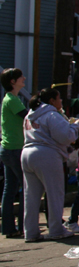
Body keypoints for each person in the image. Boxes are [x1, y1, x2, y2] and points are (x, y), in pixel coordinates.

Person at [21, 88, 79, 241]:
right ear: (52, 100)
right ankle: (56, 229)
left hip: (27, 153)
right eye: (59, 98)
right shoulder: (52, 114)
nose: (61, 101)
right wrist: (75, 125)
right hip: (47, 154)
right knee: (55, 194)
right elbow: (65, 136)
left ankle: (31, 232)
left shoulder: (29, 115)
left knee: (31, 196)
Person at [1, 68, 27, 238]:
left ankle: (9, 227)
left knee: (10, 189)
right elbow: (27, 116)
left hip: (8, 148)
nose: (23, 79)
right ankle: (25, 225)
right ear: (12, 82)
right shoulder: (12, 100)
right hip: (15, 148)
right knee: (26, 187)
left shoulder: (10, 99)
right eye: (20, 77)